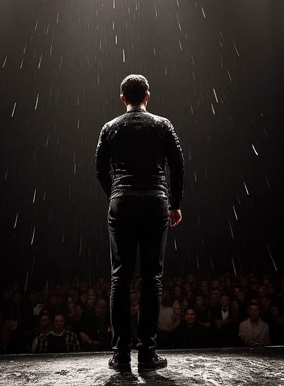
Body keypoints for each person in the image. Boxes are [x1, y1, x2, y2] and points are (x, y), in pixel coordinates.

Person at [96, 74, 184, 371]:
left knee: (120, 277)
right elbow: (178, 163)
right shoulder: (163, 125)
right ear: (148, 95)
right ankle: (147, 354)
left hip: (121, 202)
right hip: (155, 201)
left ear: (123, 98)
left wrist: (117, 194)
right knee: (151, 278)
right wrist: (175, 203)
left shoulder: (110, 127)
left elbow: (99, 169)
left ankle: (121, 356)